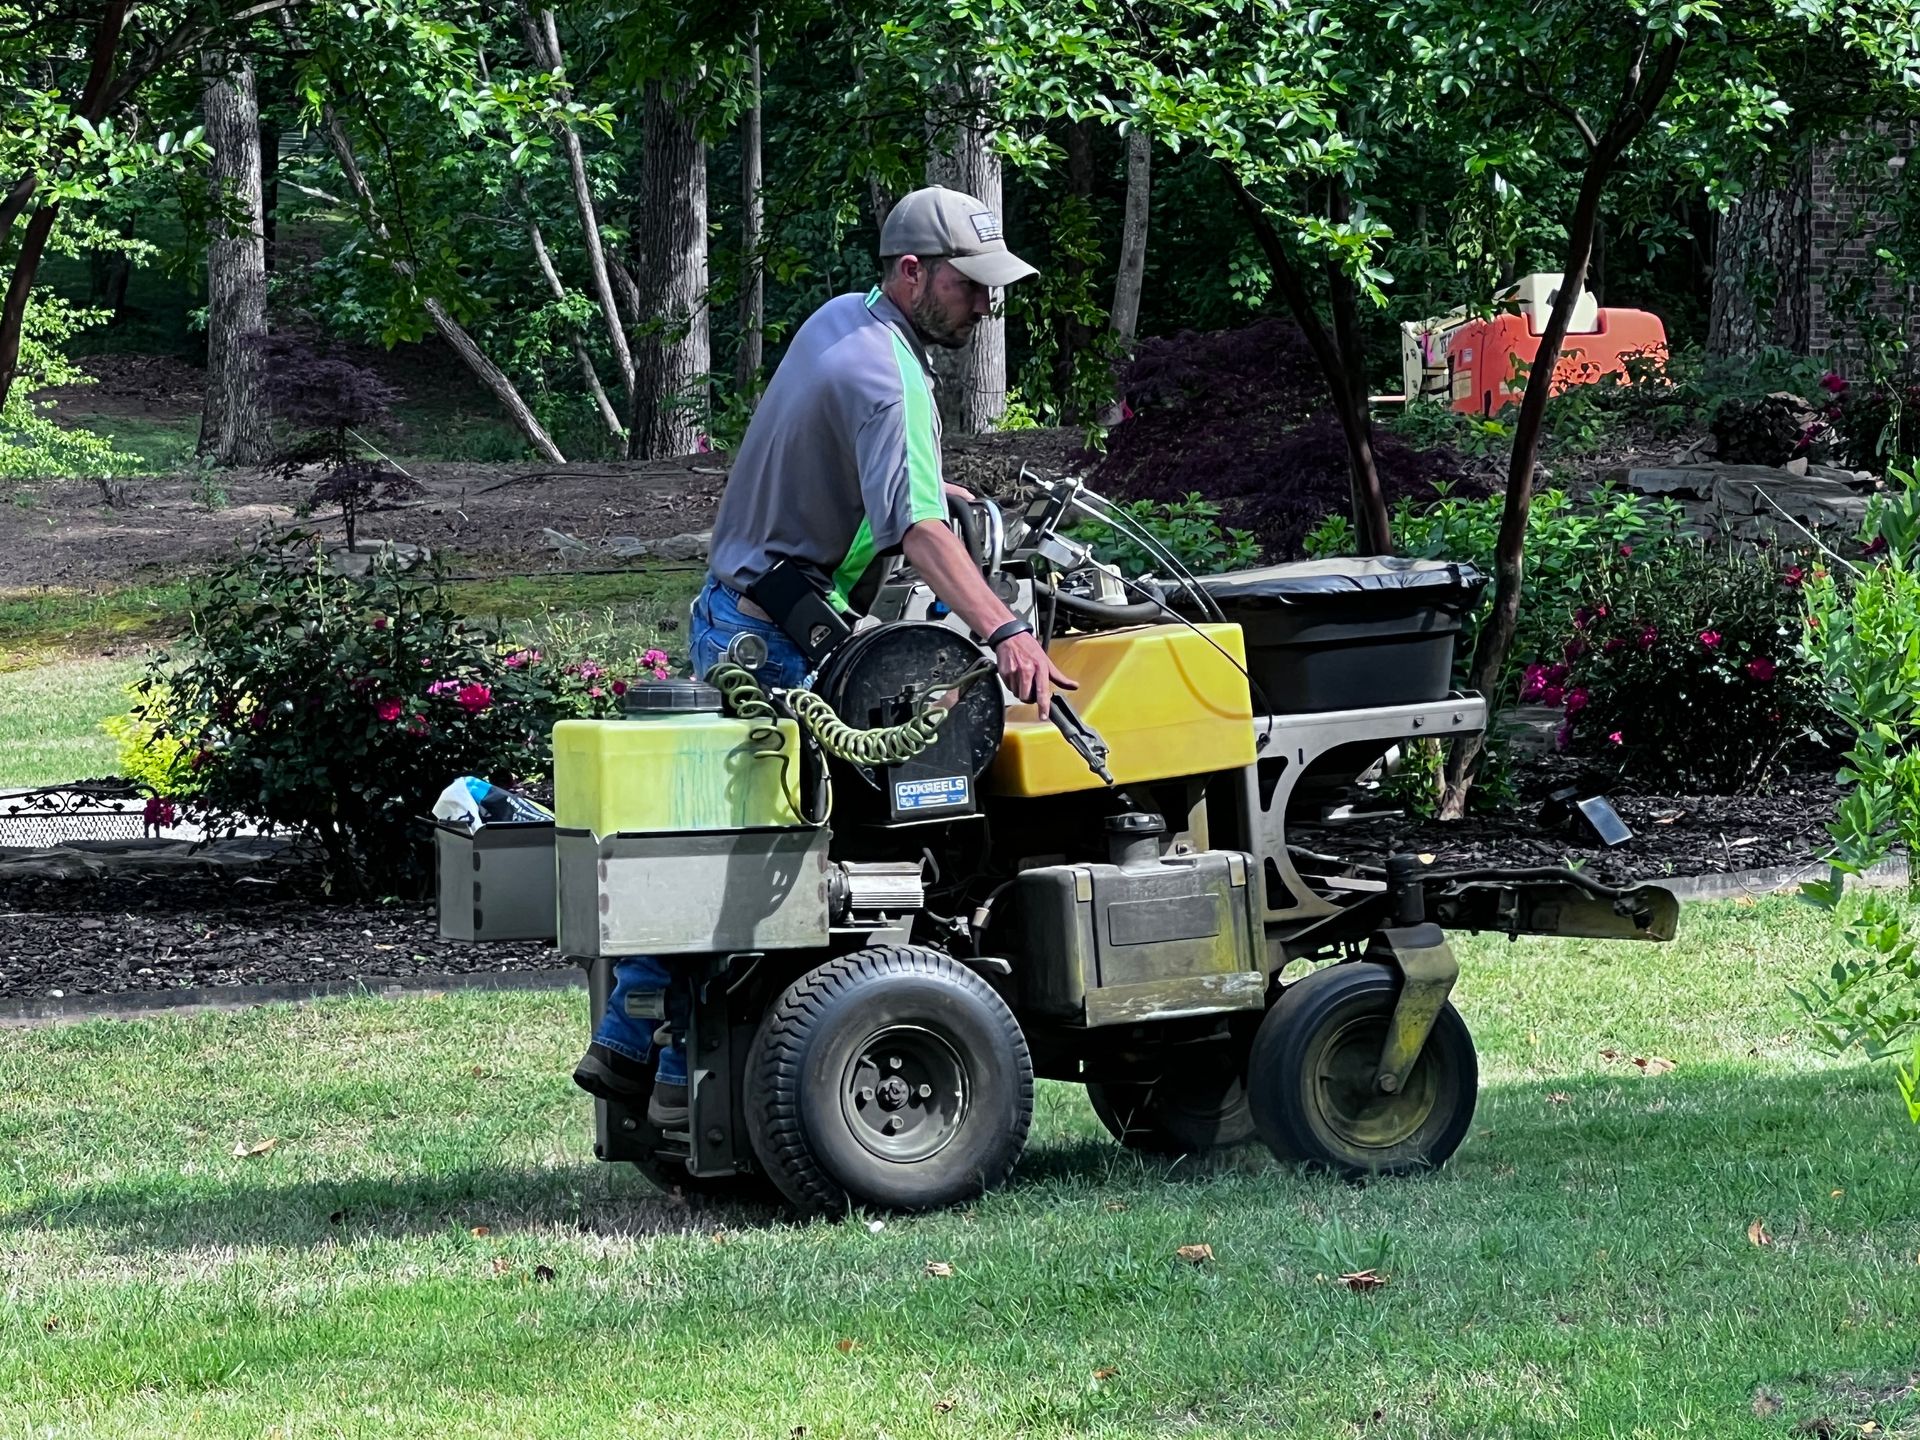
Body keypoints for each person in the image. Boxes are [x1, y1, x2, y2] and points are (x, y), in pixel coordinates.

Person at [572, 185, 1073, 1125]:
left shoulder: (843, 324)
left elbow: (857, 460)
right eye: (973, 287)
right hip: (768, 636)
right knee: (748, 866)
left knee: (739, 856)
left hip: (744, 607)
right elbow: (918, 530)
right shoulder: (890, 380)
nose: (985, 305)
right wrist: (1005, 632)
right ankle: (633, 1040)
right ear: (913, 272)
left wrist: (928, 478)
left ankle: (682, 1095)